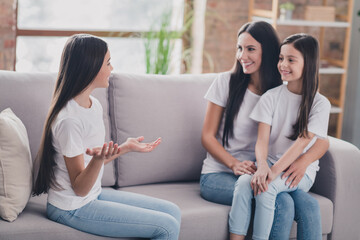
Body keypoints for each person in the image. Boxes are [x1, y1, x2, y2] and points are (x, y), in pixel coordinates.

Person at [33, 34, 181, 240]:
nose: (112, 68)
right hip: (71, 207)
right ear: (90, 67)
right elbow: (80, 187)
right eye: (108, 63)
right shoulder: (69, 120)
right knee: (166, 227)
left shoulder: (93, 105)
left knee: (173, 211)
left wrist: (126, 147)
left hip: (93, 194)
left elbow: (93, 160)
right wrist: (98, 159)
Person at [200, 21, 329, 239]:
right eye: (239, 48)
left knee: (309, 206)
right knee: (283, 204)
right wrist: (234, 163)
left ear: (268, 51)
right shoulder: (226, 83)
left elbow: (320, 139)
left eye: (250, 49)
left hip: (266, 170)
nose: (242, 56)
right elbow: (207, 136)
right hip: (220, 173)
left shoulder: (281, 91)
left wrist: (303, 162)